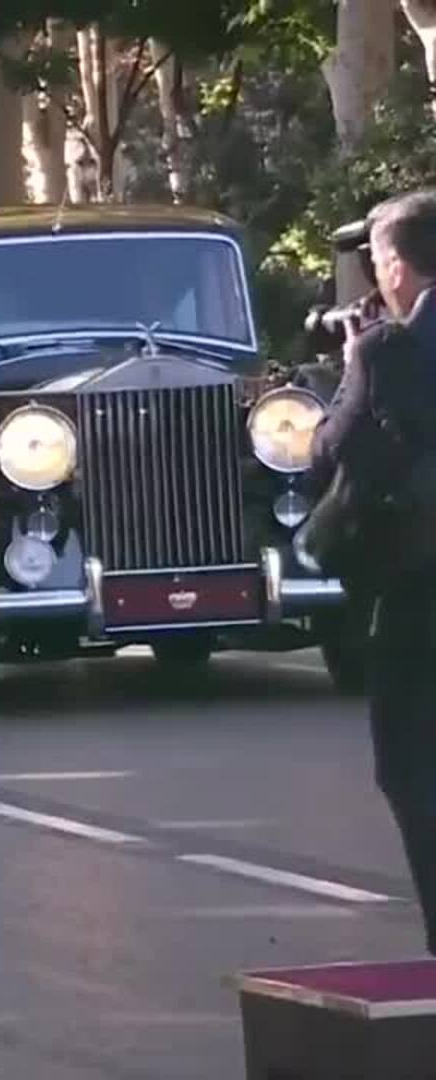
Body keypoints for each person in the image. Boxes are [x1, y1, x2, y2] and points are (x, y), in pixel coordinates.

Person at [315, 190, 436, 956]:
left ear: (393, 263)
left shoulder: (389, 349)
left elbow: (335, 448)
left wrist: (352, 365)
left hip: (417, 585)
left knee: (410, 763)